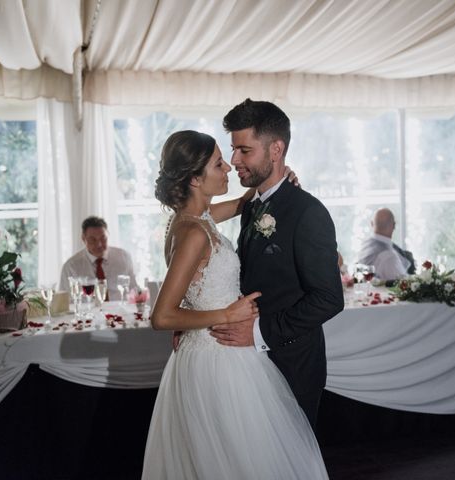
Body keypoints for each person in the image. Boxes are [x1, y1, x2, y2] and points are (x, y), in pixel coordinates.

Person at [141, 130, 329, 479]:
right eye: (218, 162)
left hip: (217, 352)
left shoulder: (195, 218)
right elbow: (162, 315)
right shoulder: (195, 232)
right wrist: (227, 313)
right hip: (218, 359)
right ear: (196, 178)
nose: (228, 166)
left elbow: (245, 205)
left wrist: (277, 182)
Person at [211, 98, 344, 428]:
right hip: (249, 366)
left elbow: (329, 298)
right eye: (233, 150)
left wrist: (257, 331)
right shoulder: (252, 206)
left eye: (244, 150)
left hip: (292, 367)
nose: (234, 160)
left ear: (276, 149)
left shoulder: (308, 212)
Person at [59, 216, 137, 300]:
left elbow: (134, 291)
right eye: (93, 240)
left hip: (120, 311)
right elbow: (64, 301)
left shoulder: (123, 257)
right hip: (87, 312)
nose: (99, 244)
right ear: (83, 239)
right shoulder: (71, 266)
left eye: (103, 238)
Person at [357, 207, 416, 281]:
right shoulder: (389, 256)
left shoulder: (364, 248)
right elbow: (405, 283)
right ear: (394, 225)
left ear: (372, 224)